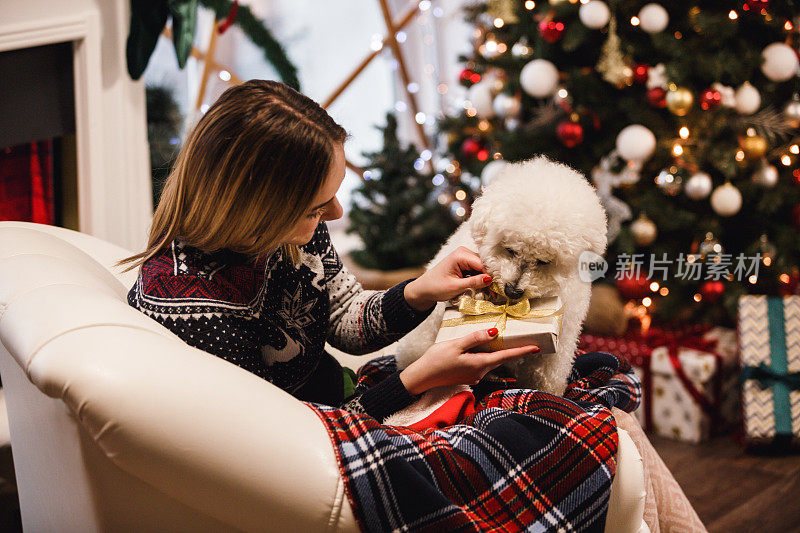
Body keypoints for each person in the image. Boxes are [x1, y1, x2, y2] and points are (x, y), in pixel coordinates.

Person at [121, 79, 540, 421]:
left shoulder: (291, 233)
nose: (336, 214)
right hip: (312, 439)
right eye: (317, 207)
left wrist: (421, 291)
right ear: (257, 211)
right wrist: (417, 379)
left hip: (339, 396)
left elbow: (341, 318)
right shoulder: (195, 314)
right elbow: (289, 442)